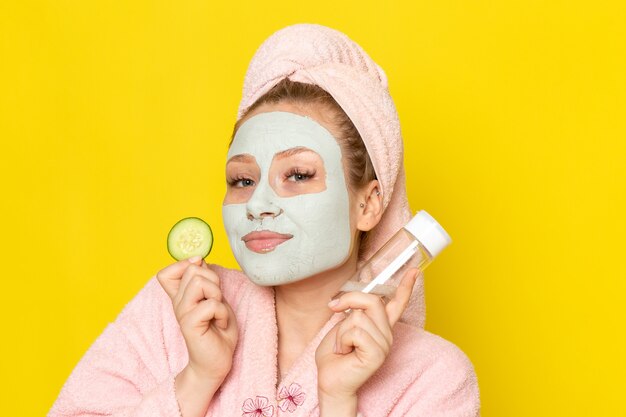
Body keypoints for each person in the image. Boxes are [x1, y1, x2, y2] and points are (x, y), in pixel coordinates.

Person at [49, 24, 480, 417]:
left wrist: (337, 401)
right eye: (242, 180)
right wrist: (197, 379)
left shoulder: (433, 377)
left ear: (367, 205)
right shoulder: (177, 312)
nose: (259, 204)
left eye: (297, 175)